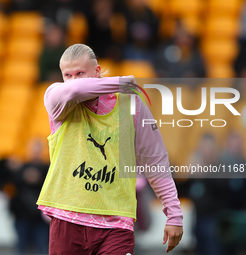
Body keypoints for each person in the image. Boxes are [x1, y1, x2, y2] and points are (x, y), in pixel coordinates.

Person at [36, 44, 183, 254]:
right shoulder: (56, 99)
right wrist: (121, 83)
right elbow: (75, 89)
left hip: (116, 221)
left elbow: (154, 159)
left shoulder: (130, 103)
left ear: (97, 72)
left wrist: (174, 213)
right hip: (68, 217)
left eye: (80, 73)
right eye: (67, 75)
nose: (73, 80)